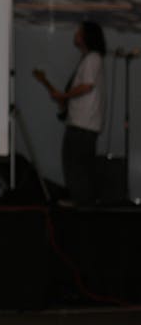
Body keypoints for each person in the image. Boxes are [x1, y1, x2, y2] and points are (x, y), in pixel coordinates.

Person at [32, 20, 106, 206]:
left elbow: (87, 86)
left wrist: (64, 96)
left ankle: (82, 203)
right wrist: (63, 102)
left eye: (79, 32)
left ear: (87, 36)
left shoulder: (92, 59)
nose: (76, 35)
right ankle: (81, 202)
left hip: (84, 124)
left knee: (76, 165)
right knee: (76, 166)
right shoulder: (87, 59)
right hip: (80, 122)